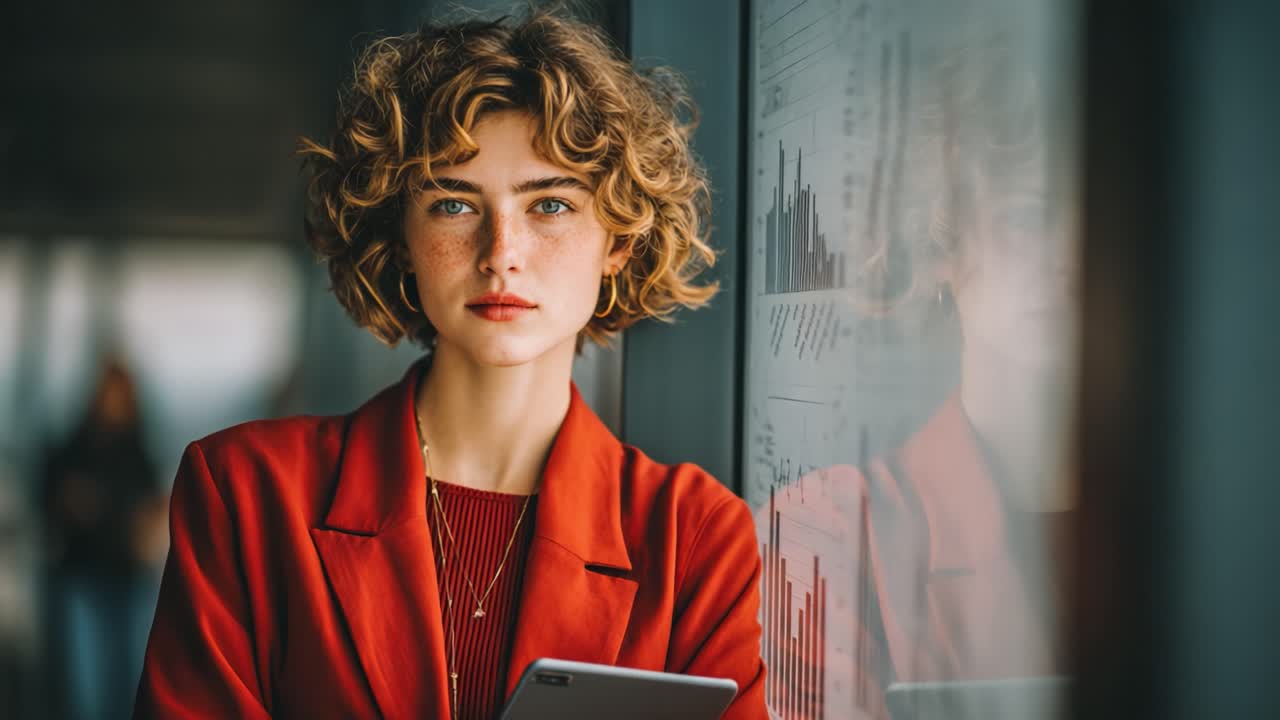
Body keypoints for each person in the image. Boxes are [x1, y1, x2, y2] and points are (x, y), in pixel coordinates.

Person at [134, 11, 766, 720]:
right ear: (401, 235)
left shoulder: (696, 536)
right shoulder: (247, 495)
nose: (502, 252)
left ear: (618, 240)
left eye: (550, 204)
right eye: (454, 204)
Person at [760, 30, 1077, 720]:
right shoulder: (828, 536)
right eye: (1031, 214)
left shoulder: (1233, 514)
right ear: (938, 242)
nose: (1074, 252)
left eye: (1104, 210)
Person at [41, 357, 166, 720]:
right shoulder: (72, 447)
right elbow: (53, 504)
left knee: (128, 684)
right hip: (85, 578)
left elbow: (151, 511)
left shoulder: (137, 452)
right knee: (88, 689)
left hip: (127, 580)